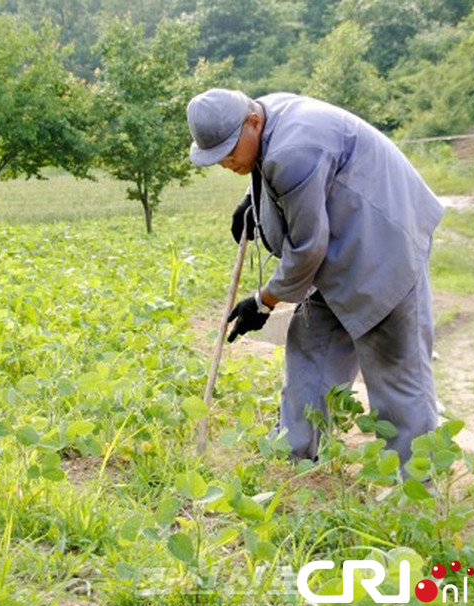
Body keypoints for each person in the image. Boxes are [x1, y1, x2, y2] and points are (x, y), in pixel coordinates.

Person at [186, 89, 444, 474]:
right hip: (341, 245)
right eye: (216, 157)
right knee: (311, 344)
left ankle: (418, 487)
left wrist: (263, 301)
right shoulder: (264, 114)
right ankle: (293, 454)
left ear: (252, 122)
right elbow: (276, 175)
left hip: (384, 243)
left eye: (227, 151)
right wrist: (253, 199)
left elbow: (306, 250)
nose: (225, 162)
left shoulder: (293, 150)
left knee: (396, 371)